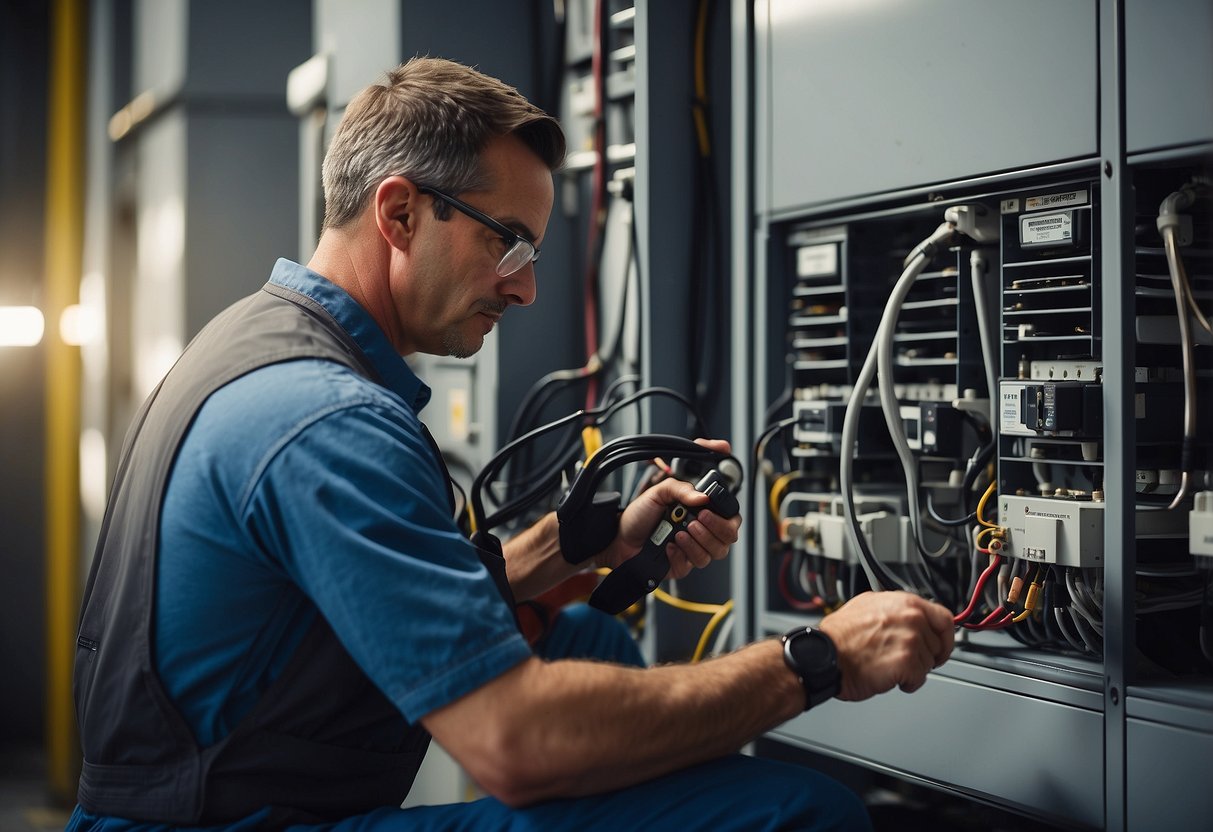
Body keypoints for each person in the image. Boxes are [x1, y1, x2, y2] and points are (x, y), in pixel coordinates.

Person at [69, 57, 955, 832]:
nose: (525, 288)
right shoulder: (328, 420)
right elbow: (514, 744)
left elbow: (347, 601)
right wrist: (818, 658)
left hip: (199, 793)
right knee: (802, 812)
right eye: (511, 244)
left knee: (584, 642)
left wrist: (571, 545)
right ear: (401, 213)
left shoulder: (257, 343)